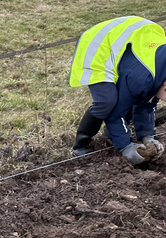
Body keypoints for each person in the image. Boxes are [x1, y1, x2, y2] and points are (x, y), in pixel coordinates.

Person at [69, 16, 166, 163]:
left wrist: (147, 137)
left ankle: (109, 139)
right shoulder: (141, 79)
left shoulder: (160, 75)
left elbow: (146, 104)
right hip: (99, 44)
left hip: (134, 40)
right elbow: (116, 114)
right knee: (107, 102)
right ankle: (81, 147)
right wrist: (126, 147)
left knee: (135, 97)